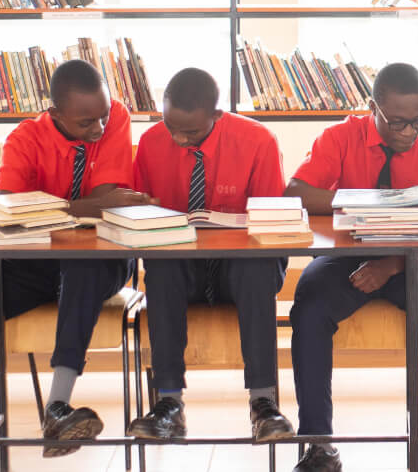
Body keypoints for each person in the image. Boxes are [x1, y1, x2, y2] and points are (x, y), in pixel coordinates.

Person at [0, 60, 150, 471]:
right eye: (85, 122)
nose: (98, 128)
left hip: (100, 259)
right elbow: (14, 213)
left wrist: (64, 207)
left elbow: (105, 197)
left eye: (102, 116)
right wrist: (83, 206)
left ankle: (57, 409)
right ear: (55, 114)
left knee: (81, 264)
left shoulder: (114, 117)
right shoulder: (25, 138)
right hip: (33, 263)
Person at [285, 63, 418, 472]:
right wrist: (359, 203)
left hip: (416, 258)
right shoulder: (339, 137)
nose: (409, 132)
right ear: (373, 108)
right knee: (309, 309)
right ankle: (318, 445)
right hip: (346, 257)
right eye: (398, 122)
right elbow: (295, 192)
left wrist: (389, 266)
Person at [125, 68, 294, 443]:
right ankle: (168, 403)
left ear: (217, 116)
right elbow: (139, 215)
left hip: (243, 267)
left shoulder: (257, 140)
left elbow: (271, 223)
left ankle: (263, 403)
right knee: (162, 267)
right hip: (183, 267)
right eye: (171, 126)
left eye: (191, 132)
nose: (178, 138)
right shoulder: (152, 142)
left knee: (255, 269)